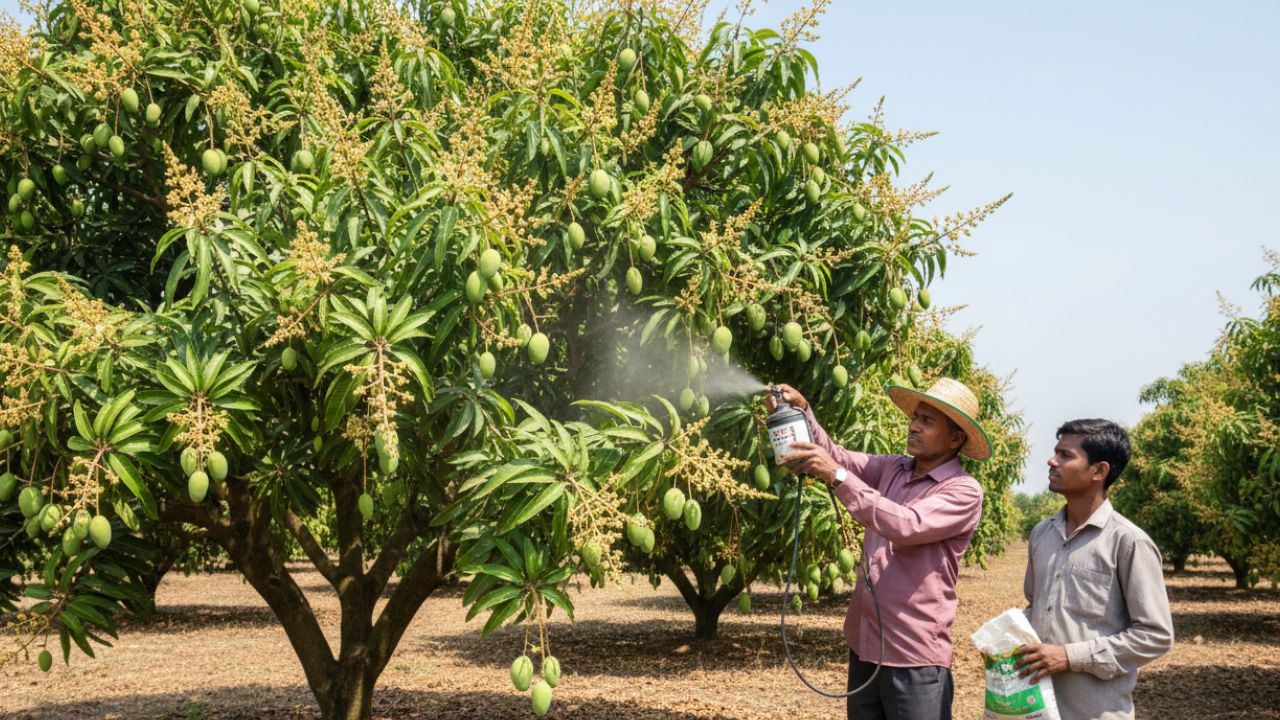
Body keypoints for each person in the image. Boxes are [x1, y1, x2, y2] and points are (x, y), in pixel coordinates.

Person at [770, 377, 991, 720]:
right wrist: (802, 413)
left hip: (913, 655)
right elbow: (836, 457)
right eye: (915, 417)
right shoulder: (893, 468)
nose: (914, 426)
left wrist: (838, 476)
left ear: (955, 438)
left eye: (927, 421)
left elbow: (906, 524)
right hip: (866, 645)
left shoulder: (962, 490)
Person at [1014, 419, 1174, 720]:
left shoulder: (1128, 542)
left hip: (1095, 711)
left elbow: (1156, 635)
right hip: (1038, 707)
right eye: (1055, 452)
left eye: (1065, 455)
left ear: (1099, 471)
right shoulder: (1041, 534)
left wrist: (1069, 656)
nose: (1051, 461)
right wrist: (1008, 637)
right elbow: (1035, 606)